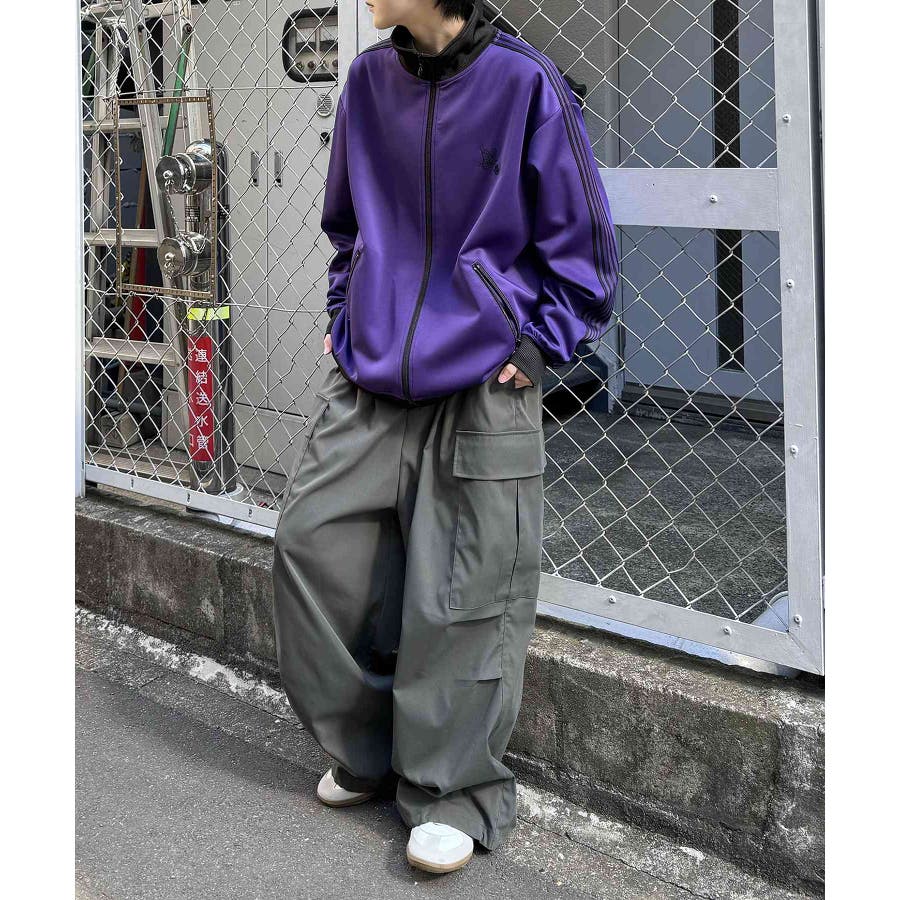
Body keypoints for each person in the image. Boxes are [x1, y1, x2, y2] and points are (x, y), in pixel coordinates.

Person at [272, 0, 619, 875]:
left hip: (480, 382)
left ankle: (454, 791)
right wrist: (344, 313)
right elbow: (347, 225)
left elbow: (584, 241)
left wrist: (539, 342)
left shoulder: (526, 83)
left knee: (466, 591)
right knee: (312, 546)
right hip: (371, 378)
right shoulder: (366, 82)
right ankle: (370, 749)